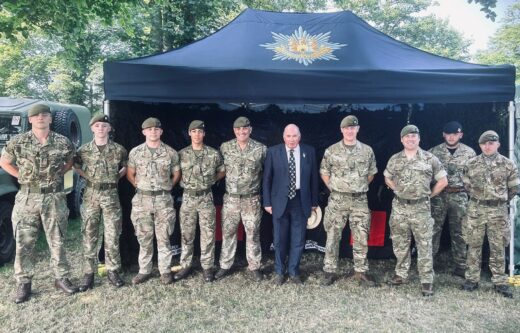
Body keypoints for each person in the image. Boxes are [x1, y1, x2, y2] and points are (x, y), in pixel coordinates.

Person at [0, 104, 78, 303]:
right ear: (31, 119)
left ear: (50, 119)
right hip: (28, 198)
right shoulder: (19, 141)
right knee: (24, 242)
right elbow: (4, 162)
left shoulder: (62, 141)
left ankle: (61, 278)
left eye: (45, 115)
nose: (41, 118)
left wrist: (60, 173)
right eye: (37, 116)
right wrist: (20, 176)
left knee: (57, 239)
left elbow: (70, 161)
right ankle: (23, 284)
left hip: (54, 198)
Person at [384, 124, 447, 297]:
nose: (410, 139)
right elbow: (387, 177)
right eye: (407, 137)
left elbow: (443, 181)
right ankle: (401, 274)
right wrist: (396, 188)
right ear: (402, 139)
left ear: (419, 139)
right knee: (400, 243)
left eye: (414, 136)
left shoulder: (430, 158)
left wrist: (429, 196)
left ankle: (426, 280)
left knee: (424, 244)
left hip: (421, 208)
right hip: (400, 207)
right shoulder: (395, 159)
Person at [320, 115, 378, 287]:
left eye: (353, 128)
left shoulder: (367, 151)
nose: (350, 131)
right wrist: (334, 188)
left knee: (361, 236)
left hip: (359, 200)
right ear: (342, 130)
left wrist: (357, 187)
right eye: (346, 128)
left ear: (357, 129)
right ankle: (330, 271)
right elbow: (324, 172)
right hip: (337, 199)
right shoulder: (332, 150)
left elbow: (371, 174)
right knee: (332, 236)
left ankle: (361, 272)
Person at [461, 130, 519, 298]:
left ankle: (500, 282)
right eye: (484, 143)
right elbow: (467, 185)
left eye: (491, 143)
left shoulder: (508, 164)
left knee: (498, 246)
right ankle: (472, 279)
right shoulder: (471, 164)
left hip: (498, 211)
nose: (487, 146)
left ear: (498, 145)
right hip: (476, 209)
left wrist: (498, 200)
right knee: (473, 245)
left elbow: (514, 188)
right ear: (480, 145)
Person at [74, 114, 128, 291]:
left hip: (111, 195)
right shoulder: (83, 150)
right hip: (91, 195)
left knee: (113, 233)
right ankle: (88, 274)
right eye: (97, 126)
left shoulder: (118, 149)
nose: (101, 129)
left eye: (104, 126)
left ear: (109, 129)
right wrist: (88, 177)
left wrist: (116, 177)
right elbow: (76, 166)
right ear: (92, 128)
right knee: (89, 234)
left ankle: (113, 271)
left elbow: (126, 166)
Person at [263, 124, 319, 285]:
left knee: (298, 238)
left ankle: (294, 271)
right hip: (279, 201)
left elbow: (314, 179)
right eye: (288, 136)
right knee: (279, 239)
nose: (292, 139)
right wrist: (266, 201)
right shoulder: (273, 152)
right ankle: (280, 271)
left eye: (295, 136)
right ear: (283, 137)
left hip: (301, 201)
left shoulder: (309, 151)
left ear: (299, 137)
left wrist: (314, 202)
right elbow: (267, 179)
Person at [126, 117, 180, 285]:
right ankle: (144, 270)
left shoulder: (170, 152)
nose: (153, 132)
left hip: (163, 200)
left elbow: (176, 173)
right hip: (142, 200)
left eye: (156, 129)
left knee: (164, 237)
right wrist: (141, 187)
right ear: (144, 132)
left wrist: (168, 186)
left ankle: (165, 271)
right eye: (149, 129)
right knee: (144, 237)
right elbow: (130, 173)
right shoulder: (135, 152)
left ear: (161, 132)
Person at [215, 117, 267, 281]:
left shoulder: (261, 149)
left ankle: (254, 266)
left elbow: (268, 174)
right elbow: (219, 169)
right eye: (238, 129)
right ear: (234, 130)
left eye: (245, 129)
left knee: (253, 234)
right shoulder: (225, 147)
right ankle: (225, 265)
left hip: (252, 200)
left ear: (250, 130)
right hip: (231, 199)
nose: (242, 132)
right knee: (228, 233)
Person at [174, 120, 225, 283]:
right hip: (188, 197)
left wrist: (211, 181)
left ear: (204, 134)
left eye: (200, 132)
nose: (197, 135)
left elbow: (222, 170)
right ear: (189, 133)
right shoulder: (181, 154)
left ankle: (207, 267)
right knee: (187, 234)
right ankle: (185, 265)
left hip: (206, 197)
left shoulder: (213, 153)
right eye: (194, 131)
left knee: (208, 234)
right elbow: (175, 172)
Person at [429, 121, 475, 277]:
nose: (451, 137)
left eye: (455, 134)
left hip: (460, 196)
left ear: (460, 135)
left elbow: (474, 176)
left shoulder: (469, 153)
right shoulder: (433, 152)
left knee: (460, 232)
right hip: (438, 196)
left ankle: (461, 266)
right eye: (448, 134)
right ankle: (428, 265)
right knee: (433, 230)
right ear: (443, 134)